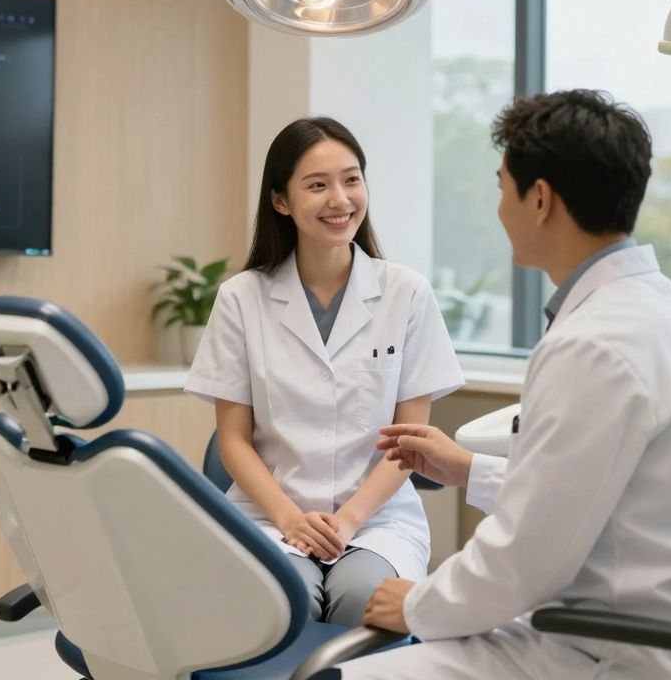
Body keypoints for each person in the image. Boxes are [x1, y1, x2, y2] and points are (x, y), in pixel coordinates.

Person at [335, 90, 671, 679]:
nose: (498, 206)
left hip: (602, 650)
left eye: (502, 187)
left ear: (541, 199)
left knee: (342, 674)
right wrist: (468, 469)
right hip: (654, 624)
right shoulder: (670, 312)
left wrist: (416, 604)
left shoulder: (593, 345)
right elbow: (589, 496)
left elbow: (526, 561)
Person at [184, 116, 465, 627]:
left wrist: (348, 519)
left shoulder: (407, 293)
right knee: (281, 602)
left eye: (351, 179)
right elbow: (233, 440)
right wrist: (291, 519)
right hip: (268, 516)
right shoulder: (241, 298)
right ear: (281, 201)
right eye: (318, 185)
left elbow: (412, 440)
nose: (340, 199)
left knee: (365, 602)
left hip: (377, 520)